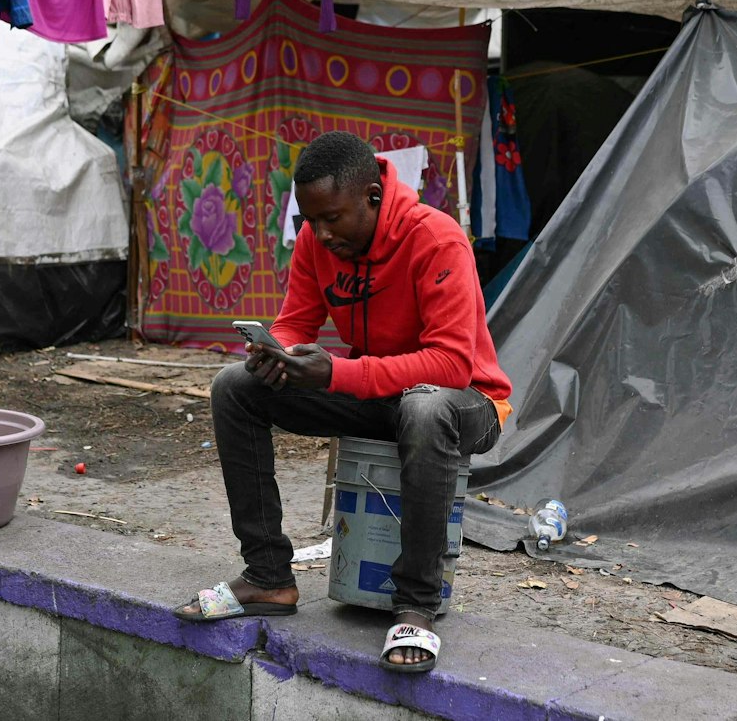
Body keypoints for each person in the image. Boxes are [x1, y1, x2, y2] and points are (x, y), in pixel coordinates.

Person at [175, 131, 512, 675]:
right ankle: (268, 577)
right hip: (382, 394)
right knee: (235, 386)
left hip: (466, 403)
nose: (321, 233)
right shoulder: (318, 241)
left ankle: (416, 604)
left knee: (424, 408)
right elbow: (296, 320)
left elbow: (451, 364)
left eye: (332, 218)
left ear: (372, 198)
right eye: (310, 220)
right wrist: (278, 353)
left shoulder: (436, 238)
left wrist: (336, 371)